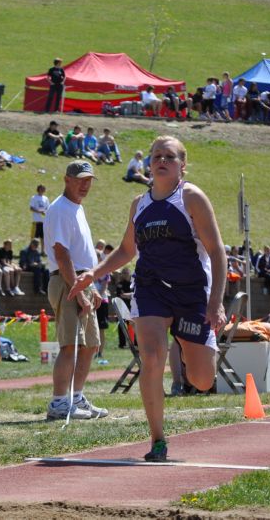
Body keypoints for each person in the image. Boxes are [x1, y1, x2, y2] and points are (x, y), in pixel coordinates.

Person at [69, 136, 227, 460]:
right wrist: (93, 274)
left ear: (182, 165)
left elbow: (217, 252)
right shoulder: (138, 204)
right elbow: (128, 250)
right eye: (157, 155)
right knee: (152, 358)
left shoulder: (192, 197)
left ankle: (187, 342)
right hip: (150, 289)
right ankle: (157, 440)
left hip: (191, 293)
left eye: (169, 156)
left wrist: (216, 303)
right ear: (149, 163)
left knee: (201, 378)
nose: (161, 161)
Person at [41, 160, 108, 422]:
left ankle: (76, 397)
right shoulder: (60, 209)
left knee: (90, 345)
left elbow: (78, 253)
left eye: (89, 179)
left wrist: (90, 287)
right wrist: (78, 290)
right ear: (67, 179)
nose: (85, 184)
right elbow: (61, 253)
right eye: (80, 179)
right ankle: (59, 402)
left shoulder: (76, 208)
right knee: (70, 345)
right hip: (68, 280)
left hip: (81, 280)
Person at [29, 184, 49, 253]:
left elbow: (47, 208)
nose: (43, 190)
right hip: (36, 221)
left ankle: (43, 251)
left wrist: (45, 212)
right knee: (35, 237)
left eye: (44, 189)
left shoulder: (45, 198)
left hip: (44, 221)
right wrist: (39, 211)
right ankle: (33, 250)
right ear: (38, 189)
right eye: (41, 188)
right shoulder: (34, 198)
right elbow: (31, 208)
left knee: (43, 237)